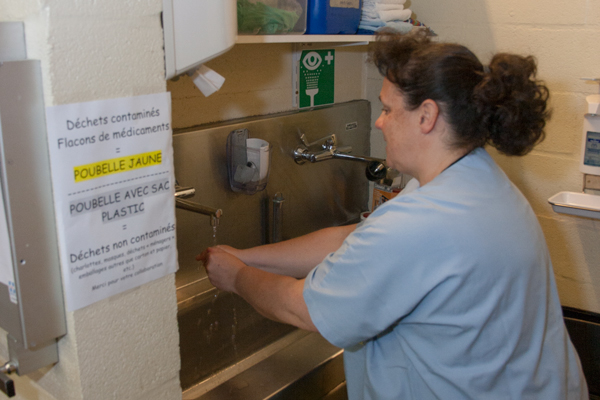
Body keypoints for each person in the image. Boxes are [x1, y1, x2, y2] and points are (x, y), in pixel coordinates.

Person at [198, 29, 588, 399]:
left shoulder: (423, 222)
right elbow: (352, 239)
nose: (379, 121)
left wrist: (236, 277)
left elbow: (301, 308)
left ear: (427, 116)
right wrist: (247, 256)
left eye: (387, 109)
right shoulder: (473, 177)